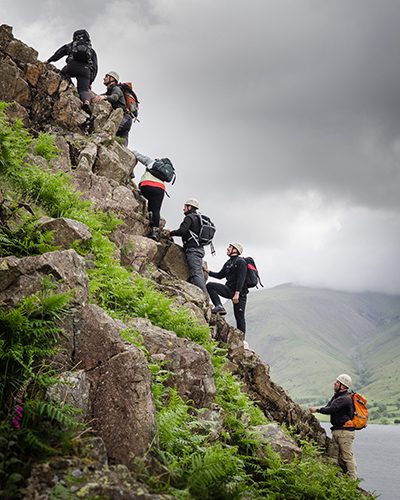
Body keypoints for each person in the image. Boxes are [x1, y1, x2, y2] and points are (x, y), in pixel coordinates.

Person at [309, 374, 357, 480]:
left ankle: (353, 480)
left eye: (337, 382)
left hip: (345, 432)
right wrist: (319, 409)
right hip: (338, 430)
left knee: (347, 456)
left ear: (343, 386)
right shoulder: (337, 396)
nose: (334, 383)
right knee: (340, 457)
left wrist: (316, 410)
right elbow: (328, 407)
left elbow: (331, 409)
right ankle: (345, 479)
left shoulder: (345, 399)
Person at [47, 29, 98, 114]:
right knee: (83, 90)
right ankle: (86, 102)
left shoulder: (72, 45)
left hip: (71, 67)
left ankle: (65, 85)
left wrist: (49, 60)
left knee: (62, 73)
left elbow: (59, 53)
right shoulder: (91, 51)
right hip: (85, 71)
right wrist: (90, 81)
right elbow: (95, 67)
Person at [165, 199, 207, 293]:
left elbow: (182, 231)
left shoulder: (189, 218)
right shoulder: (199, 218)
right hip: (199, 248)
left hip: (193, 249)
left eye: (185, 207)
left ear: (190, 207)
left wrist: (171, 233)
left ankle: (204, 295)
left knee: (196, 274)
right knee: (197, 272)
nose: (183, 209)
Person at [205, 243, 248, 334]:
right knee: (210, 285)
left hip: (240, 294)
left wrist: (237, 294)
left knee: (239, 316)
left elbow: (242, 279)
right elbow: (220, 275)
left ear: (235, 250)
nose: (227, 249)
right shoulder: (228, 263)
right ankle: (219, 306)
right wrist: (208, 272)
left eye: (230, 247)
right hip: (229, 290)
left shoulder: (241, 262)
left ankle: (242, 340)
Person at [132, 150, 167, 241]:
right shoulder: (164, 173)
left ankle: (149, 215)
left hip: (145, 186)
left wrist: (132, 151)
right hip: (160, 189)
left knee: (147, 197)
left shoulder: (152, 162)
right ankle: (155, 231)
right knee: (156, 209)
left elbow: (139, 156)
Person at [93, 72, 132, 146]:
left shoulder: (116, 89)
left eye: (107, 76)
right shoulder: (110, 90)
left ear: (112, 79)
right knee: (121, 143)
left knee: (107, 128)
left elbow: (115, 97)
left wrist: (104, 97)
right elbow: (103, 95)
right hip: (126, 119)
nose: (104, 78)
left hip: (124, 118)